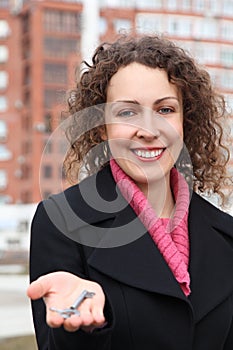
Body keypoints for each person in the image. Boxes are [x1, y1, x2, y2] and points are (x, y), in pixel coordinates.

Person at [27, 34, 233, 350]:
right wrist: (84, 327)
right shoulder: (62, 222)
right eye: (127, 113)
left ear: (185, 122)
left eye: (165, 110)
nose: (149, 130)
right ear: (100, 127)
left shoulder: (225, 233)